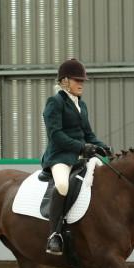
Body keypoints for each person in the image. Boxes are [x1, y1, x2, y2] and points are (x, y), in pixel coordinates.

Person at [41, 58, 111, 255]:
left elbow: (88, 134)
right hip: (60, 157)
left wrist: (102, 147)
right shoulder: (55, 102)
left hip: (80, 158)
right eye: (77, 80)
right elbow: (56, 135)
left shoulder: (82, 105)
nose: (81, 84)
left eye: (82, 81)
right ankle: (54, 235)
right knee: (63, 185)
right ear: (65, 81)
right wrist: (82, 147)